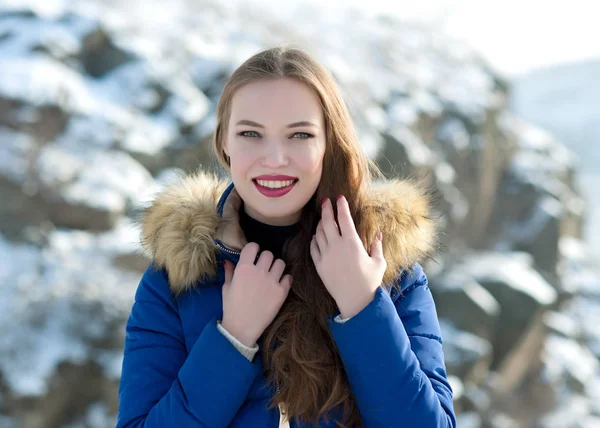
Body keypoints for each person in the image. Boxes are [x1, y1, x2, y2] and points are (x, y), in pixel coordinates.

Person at [117, 46, 456, 428]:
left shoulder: (390, 270)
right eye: (250, 133)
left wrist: (363, 307)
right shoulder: (177, 279)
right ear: (224, 143)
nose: (275, 158)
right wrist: (233, 338)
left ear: (329, 143)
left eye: (299, 134)